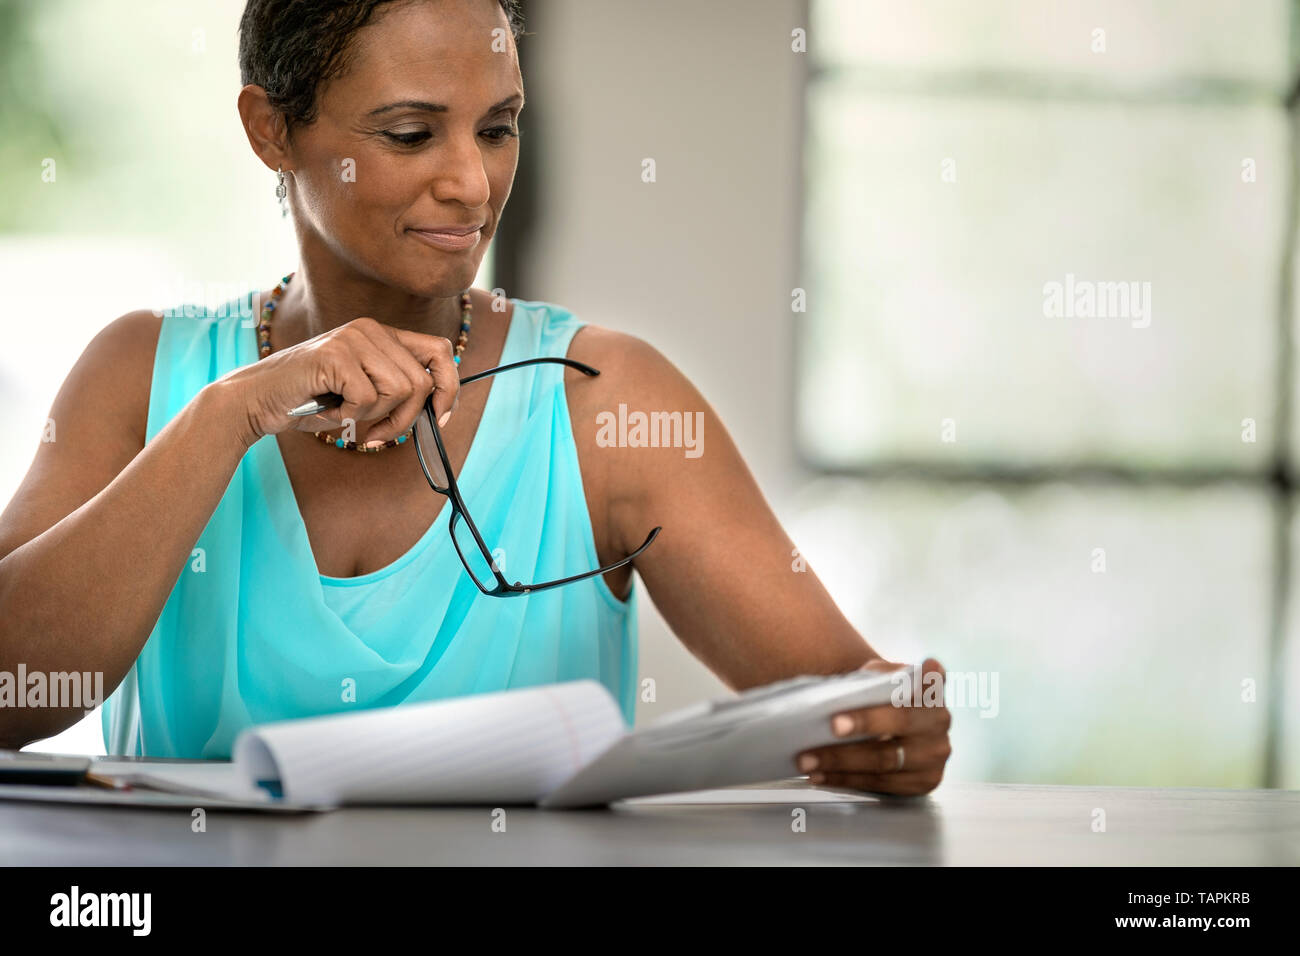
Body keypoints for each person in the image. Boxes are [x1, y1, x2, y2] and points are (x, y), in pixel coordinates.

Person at [0, 0, 951, 796]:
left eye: (498, 128)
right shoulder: (139, 376)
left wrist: (899, 724)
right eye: (412, 133)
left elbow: (852, 704)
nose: (472, 182)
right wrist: (230, 414)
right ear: (271, 130)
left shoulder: (604, 400)